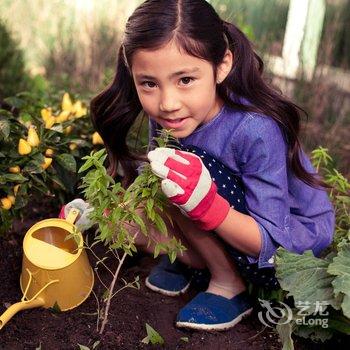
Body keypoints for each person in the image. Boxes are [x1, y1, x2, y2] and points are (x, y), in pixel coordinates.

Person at [62, 0, 335, 331]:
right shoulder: (170, 116)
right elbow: (152, 182)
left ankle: (227, 283)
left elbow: (274, 244)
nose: (167, 102)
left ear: (222, 66)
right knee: (156, 191)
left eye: (186, 80)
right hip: (228, 217)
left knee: (179, 172)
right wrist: (104, 210)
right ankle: (193, 261)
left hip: (283, 251)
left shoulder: (254, 129)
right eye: (148, 83)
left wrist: (208, 208)